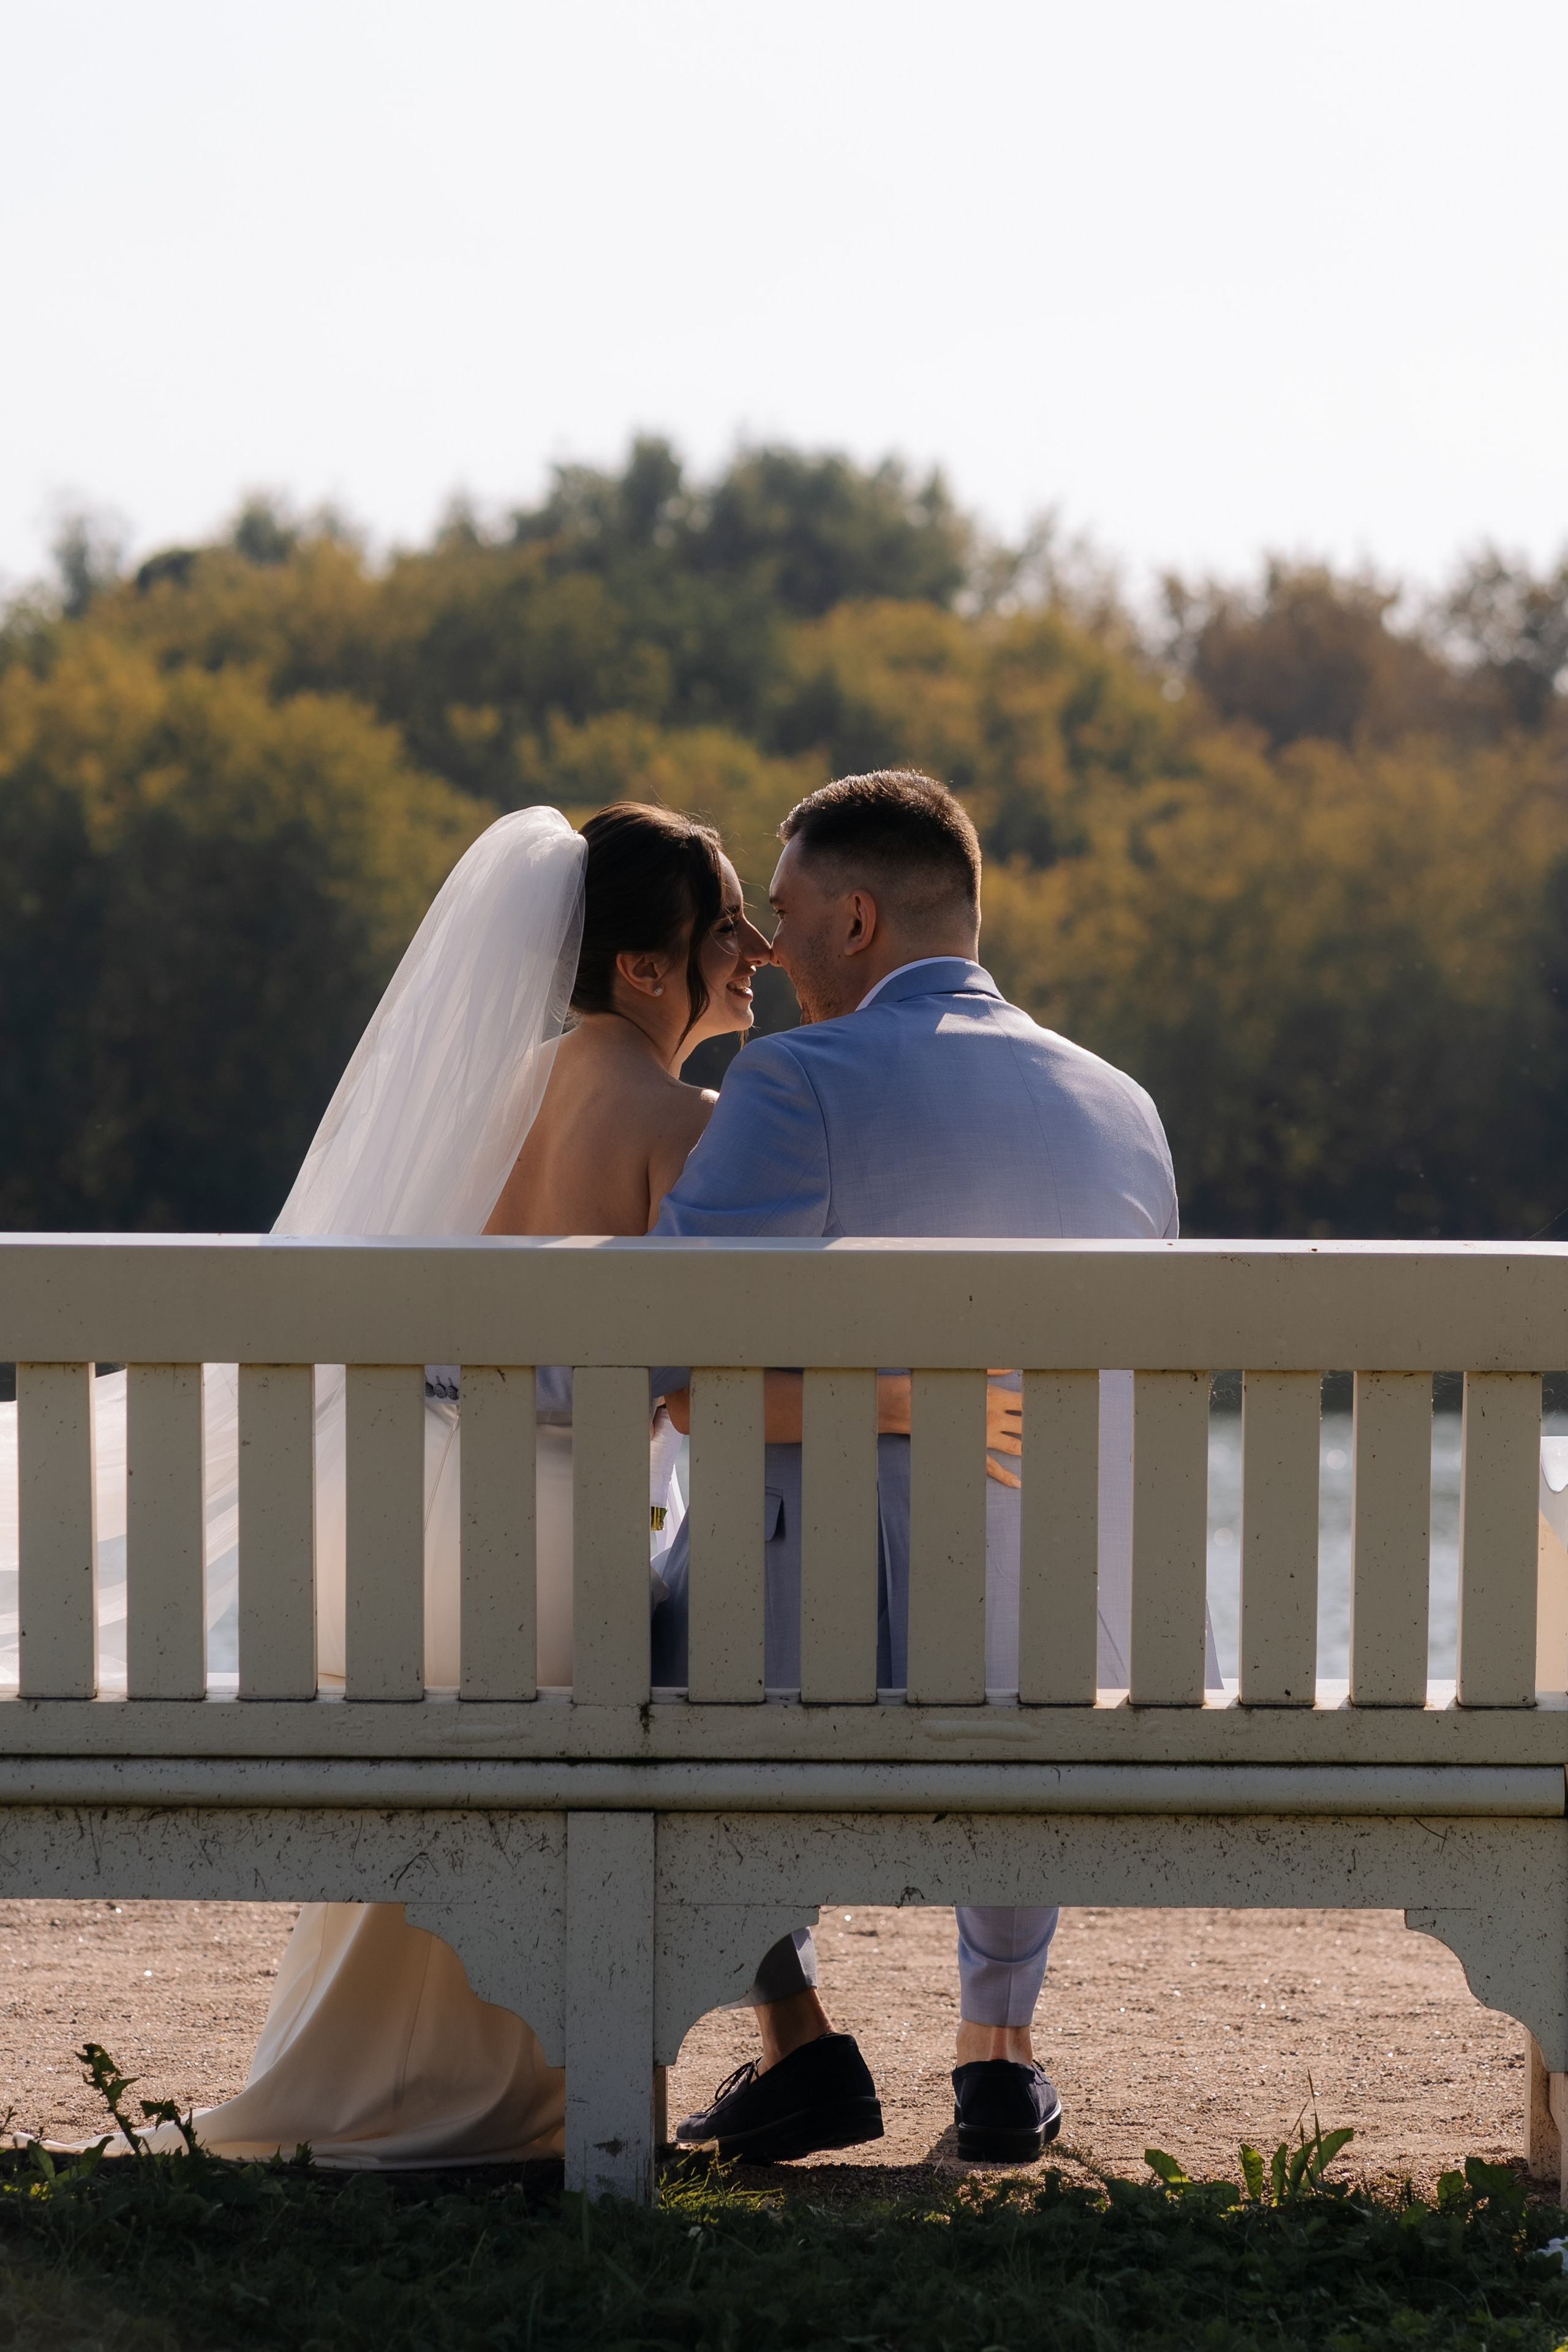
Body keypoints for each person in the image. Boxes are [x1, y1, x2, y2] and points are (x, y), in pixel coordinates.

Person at [14, 799, 775, 2165]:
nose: (756, 951)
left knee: (443, 1729)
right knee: (615, 1681)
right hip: (548, 1529)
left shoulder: (472, 1098)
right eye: (728, 926)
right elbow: (706, 1388)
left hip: (403, 1523)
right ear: (648, 968)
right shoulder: (689, 1122)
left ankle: (374, 2075)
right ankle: (533, 2098)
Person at [653, 767, 1216, 2168]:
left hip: (856, 1654)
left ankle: (795, 2030)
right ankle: (997, 2059)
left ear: (854, 920)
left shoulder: (794, 1078)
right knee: (1019, 1562)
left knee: (634, 1625)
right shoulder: (1120, 1103)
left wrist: (861, 1401)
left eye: (780, 918)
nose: (766, 954)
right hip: (1095, 1641)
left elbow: (656, 1362)